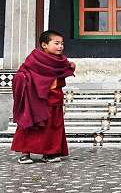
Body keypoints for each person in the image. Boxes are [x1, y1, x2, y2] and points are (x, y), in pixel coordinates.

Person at [11, 30, 76, 164]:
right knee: (31, 125)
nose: (60, 47)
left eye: (62, 44)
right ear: (44, 45)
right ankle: (25, 153)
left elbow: (63, 72)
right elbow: (22, 74)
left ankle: (50, 153)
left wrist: (70, 67)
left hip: (54, 97)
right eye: (56, 43)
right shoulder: (35, 59)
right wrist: (24, 79)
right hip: (36, 98)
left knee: (53, 126)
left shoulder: (61, 61)